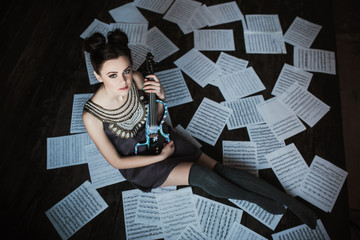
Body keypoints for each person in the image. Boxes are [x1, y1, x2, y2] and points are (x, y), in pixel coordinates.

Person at [82, 29, 317, 229]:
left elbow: (155, 119)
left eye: (125, 70)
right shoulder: (91, 116)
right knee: (205, 177)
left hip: (159, 137)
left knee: (220, 169)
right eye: (112, 75)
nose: (122, 81)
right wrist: (161, 156)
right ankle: (254, 198)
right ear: (97, 75)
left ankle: (290, 202)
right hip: (140, 163)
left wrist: (160, 98)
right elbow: (116, 162)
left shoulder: (135, 78)